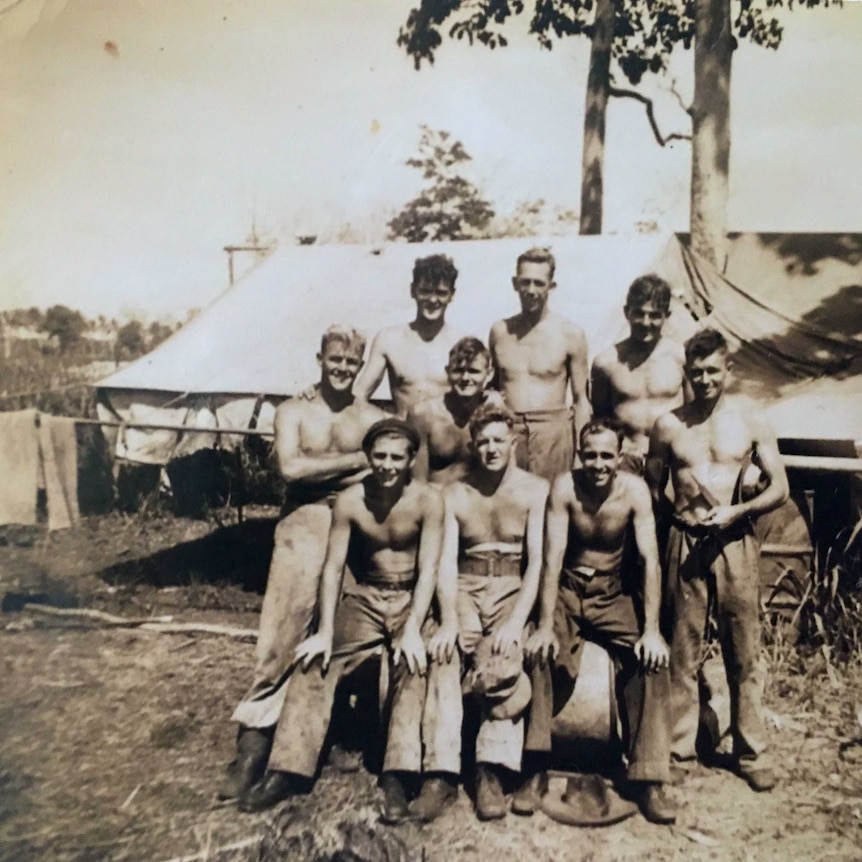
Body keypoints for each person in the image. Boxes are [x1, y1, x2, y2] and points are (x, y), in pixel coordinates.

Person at [238, 418, 452, 821]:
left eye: (397, 458)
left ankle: (396, 774)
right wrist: (323, 631)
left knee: (412, 663)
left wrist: (412, 630)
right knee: (313, 659)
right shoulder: (352, 501)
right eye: (380, 456)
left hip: (411, 597)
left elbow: (429, 570)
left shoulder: (428, 500)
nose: (388, 465)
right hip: (368, 595)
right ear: (368, 457)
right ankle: (287, 769)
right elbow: (333, 568)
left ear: (410, 461)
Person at [218, 325, 386, 801]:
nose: (343, 368)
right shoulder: (293, 409)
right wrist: (357, 459)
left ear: (360, 366)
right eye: (335, 359)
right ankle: (252, 746)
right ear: (320, 357)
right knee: (282, 635)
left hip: (354, 523)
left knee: (343, 633)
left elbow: (385, 465)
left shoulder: (371, 414)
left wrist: (346, 466)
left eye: (352, 363)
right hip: (305, 522)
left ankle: (325, 734)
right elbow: (291, 469)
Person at [646, 327, 789, 792]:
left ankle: (750, 751)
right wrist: (678, 524)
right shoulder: (668, 425)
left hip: (735, 543)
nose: (704, 379)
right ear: (686, 372)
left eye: (712, 370)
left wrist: (737, 511)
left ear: (728, 370)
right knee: (681, 650)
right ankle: (679, 748)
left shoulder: (751, 422)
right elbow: (652, 488)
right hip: (685, 544)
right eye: (696, 371)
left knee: (743, 651)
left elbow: (780, 488)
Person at [527, 420, 678, 825]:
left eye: (606, 455)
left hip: (612, 593)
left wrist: (650, 630)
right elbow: (552, 558)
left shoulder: (634, 492)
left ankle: (648, 776)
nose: (597, 464)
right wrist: (544, 625)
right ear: (579, 452)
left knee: (650, 662)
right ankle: (535, 764)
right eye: (590, 454)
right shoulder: (564, 488)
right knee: (540, 654)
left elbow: (649, 561)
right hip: (568, 590)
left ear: (621, 455)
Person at [414, 402, 549, 822]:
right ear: (474, 445)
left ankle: (490, 771)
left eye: (498, 441)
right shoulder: (455, 492)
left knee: (503, 659)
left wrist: (515, 621)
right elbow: (445, 562)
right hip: (465, 587)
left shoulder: (535, 490)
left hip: (511, 586)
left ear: (513, 442)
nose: (491, 449)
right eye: (483, 442)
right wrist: (450, 619)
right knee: (444, 651)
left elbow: (538, 563)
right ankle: (439, 772)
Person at [489, 247, 590, 482]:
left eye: (539, 283)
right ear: (515, 283)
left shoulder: (570, 334)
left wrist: (579, 454)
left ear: (551, 286)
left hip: (553, 432)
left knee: (550, 506)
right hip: (509, 431)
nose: (531, 291)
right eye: (525, 283)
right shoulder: (500, 331)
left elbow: (580, 400)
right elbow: (494, 386)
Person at [590, 274, 686, 472]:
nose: (646, 322)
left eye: (655, 315)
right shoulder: (605, 362)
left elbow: (695, 414)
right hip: (626, 458)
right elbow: (601, 418)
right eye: (639, 313)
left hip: (672, 459)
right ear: (627, 312)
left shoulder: (681, 358)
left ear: (666, 315)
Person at [353, 254, 466, 416]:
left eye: (441, 292)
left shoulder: (460, 342)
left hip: (445, 437)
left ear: (451, 295)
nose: (433, 299)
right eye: (425, 291)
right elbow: (359, 396)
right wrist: (318, 391)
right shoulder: (389, 340)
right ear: (413, 290)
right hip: (403, 436)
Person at [407, 336, 496, 486]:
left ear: (489, 374)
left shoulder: (493, 411)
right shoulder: (423, 414)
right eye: (458, 371)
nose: (466, 378)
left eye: (474, 371)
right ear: (447, 372)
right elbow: (417, 482)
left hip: (476, 503)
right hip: (435, 500)